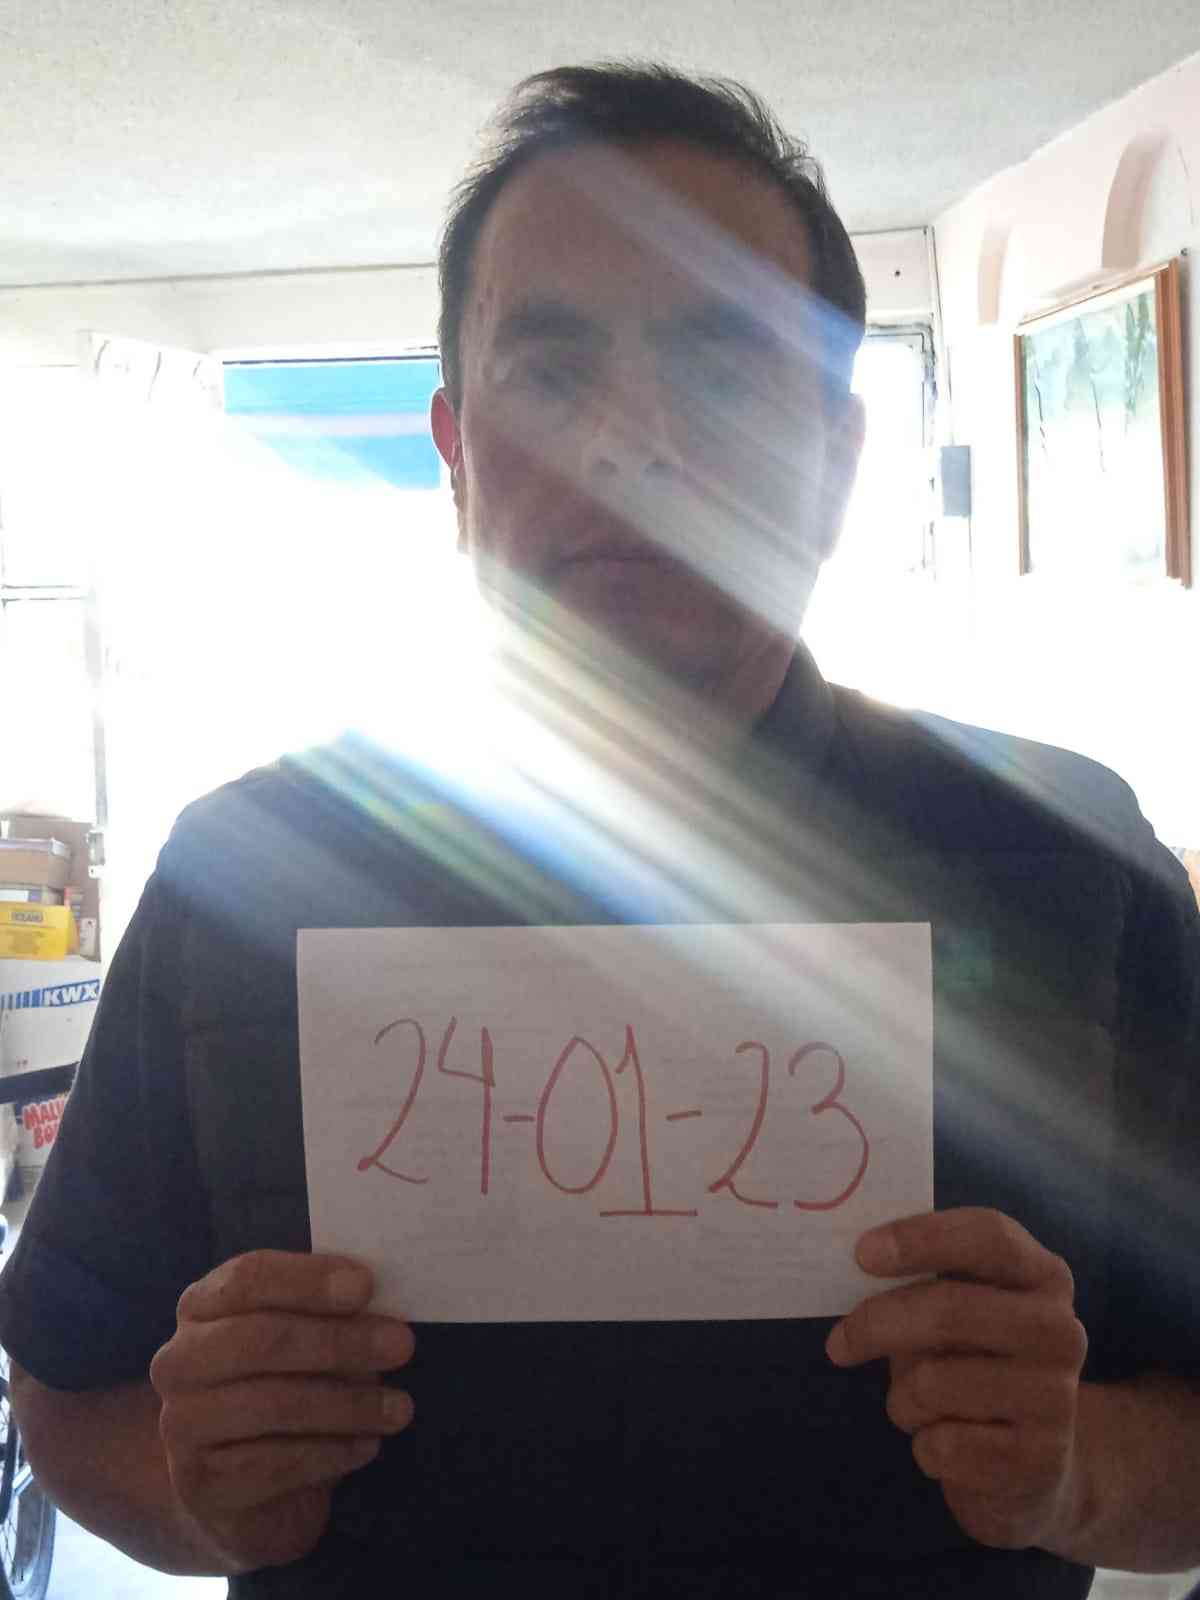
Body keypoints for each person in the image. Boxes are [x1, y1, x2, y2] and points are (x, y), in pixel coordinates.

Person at [3, 63, 1199, 1600]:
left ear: (837, 459)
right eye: (551, 373)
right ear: (454, 451)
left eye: (726, 374)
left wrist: (1079, 1468)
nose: (634, 446)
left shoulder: (1074, 864)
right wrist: (200, 1490)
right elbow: (71, 1386)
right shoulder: (243, 871)